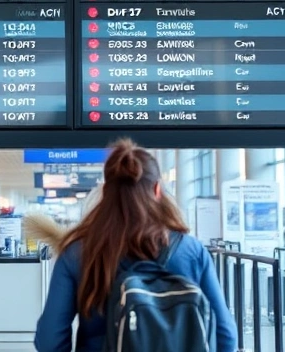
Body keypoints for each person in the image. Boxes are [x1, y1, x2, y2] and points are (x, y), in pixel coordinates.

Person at [34, 139, 237, 352]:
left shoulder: (78, 252)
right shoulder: (191, 251)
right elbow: (226, 335)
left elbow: (50, 340)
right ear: (158, 190)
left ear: (106, 192)